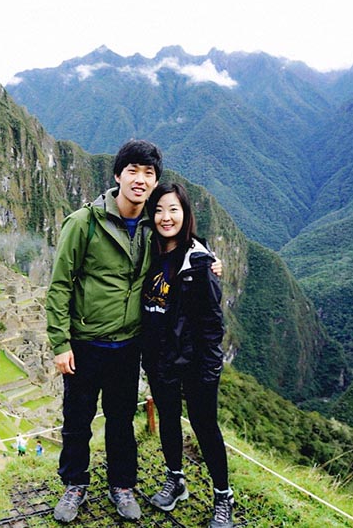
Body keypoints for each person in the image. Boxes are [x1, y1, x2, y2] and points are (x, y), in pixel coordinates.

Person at [46, 140, 163, 523]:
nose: (140, 180)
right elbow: (60, 284)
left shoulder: (153, 224)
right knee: (77, 420)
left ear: (155, 180)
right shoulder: (85, 222)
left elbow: (185, 242)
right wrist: (60, 344)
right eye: (133, 171)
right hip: (85, 344)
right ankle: (74, 484)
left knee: (120, 421)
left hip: (128, 345)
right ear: (118, 175)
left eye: (148, 173)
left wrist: (210, 263)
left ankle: (122, 485)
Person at [141, 182, 234, 528]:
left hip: (194, 362)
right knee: (168, 420)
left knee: (204, 426)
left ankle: (223, 496)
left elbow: (212, 323)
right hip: (159, 358)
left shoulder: (198, 261)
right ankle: (175, 479)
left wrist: (211, 369)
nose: (166, 217)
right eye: (160, 210)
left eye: (173, 210)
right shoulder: (150, 251)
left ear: (186, 214)